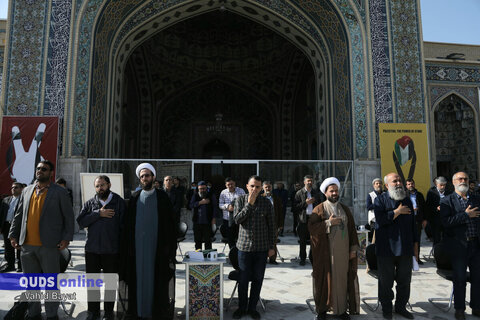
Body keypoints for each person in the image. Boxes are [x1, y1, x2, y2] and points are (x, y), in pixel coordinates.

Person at [9, 160, 75, 320]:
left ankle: (52, 315)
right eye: (38, 169)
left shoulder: (59, 192)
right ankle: (34, 313)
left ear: (50, 173)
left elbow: (68, 216)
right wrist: (13, 234)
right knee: (32, 284)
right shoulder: (27, 191)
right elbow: (19, 214)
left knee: (50, 284)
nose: (40, 171)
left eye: (44, 169)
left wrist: (66, 238)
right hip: (27, 246)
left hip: (49, 245)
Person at [119, 163, 176, 319]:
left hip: (157, 248)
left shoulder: (163, 197)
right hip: (137, 249)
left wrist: (169, 248)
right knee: (137, 279)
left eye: (148, 175)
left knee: (156, 279)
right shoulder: (135, 197)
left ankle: (156, 312)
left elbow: (171, 225)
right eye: (142, 176)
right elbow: (128, 225)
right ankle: (138, 311)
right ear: (140, 179)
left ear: (153, 177)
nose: (145, 178)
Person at [309, 177, 359, 320]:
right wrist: (327, 223)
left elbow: (351, 230)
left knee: (343, 282)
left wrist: (353, 250)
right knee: (325, 282)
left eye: (336, 191)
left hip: (343, 255)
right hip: (326, 255)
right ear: (326, 193)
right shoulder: (319, 209)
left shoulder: (345, 209)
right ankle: (323, 310)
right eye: (332, 191)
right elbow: (311, 229)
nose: (335, 193)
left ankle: (342, 310)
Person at [77, 175, 126, 320]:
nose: (100, 188)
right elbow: (81, 222)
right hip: (92, 250)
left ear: (109, 185)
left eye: (102, 185)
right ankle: (93, 312)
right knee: (92, 283)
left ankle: (109, 313)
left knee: (110, 283)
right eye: (97, 186)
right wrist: (98, 213)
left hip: (111, 250)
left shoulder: (119, 202)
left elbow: (124, 226)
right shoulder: (90, 203)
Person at [373, 172, 419, 320]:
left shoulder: (406, 200)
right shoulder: (380, 200)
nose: (399, 183)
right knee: (386, 282)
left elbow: (413, 225)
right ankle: (387, 308)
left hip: (405, 248)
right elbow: (379, 221)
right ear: (387, 185)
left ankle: (400, 307)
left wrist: (415, 247)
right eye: (395, 181)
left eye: (399, 180)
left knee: (404, 281)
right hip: (386, 248)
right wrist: (397, 212)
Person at [232, 175, 276, 320]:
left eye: (258, 187)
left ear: (261, 187)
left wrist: (272, 247)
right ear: (247, 186)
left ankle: (252, 308)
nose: (255, 189)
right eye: (252, 186)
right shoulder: (240, 200)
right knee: (243, 280)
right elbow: (237, 219)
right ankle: (241, 307)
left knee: (258, 279)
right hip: (244, 248)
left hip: (261, 249)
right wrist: (249, 205)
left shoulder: (266, 203)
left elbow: (272, 226)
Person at [440, 172, 480, 320]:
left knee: (477, 278)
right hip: (459, 246)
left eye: (465, 179)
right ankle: (459, 309)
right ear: (453, 182)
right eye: (460, 179)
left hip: (476, 244)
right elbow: (446, 222)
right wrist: (465, 215)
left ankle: (476, 307)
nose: (463, 181)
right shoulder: (447, 201)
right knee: (460, 278)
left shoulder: (476, 198)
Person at [294, 175, 324, 265]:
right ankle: (302, 259)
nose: (309, 182)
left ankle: (312, 258)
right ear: (304, 182)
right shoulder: (299, 193)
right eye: (308, 181)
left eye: (311, 181)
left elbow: (321, 206)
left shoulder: (316, 193)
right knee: (302, 240)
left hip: (314, 219)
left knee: (314, 240)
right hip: (303, 220)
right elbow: (295, 207)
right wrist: (305, 203)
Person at [0, 182, 24, 272]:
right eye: (12, 187)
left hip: (18, 226)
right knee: (8, 246)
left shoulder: (24, 200)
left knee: (19, 246)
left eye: (16, 187)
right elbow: (1, 214)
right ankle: (10, 265)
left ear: (21, 189)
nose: (13, 189)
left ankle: (20, 266)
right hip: (6, 225)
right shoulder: (6, 200)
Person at [189, 180, 219, 250]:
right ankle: (198, 256)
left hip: (208, 222)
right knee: (197, 241)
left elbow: (215, 207)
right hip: (197, 222)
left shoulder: (211, 195)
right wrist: (200, 202)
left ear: (206, 188)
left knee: (208, 241)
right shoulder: (195, 195)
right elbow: (190, 205)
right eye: (200, 189)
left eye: (204, 188)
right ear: (198, 189)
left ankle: (207, 256)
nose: (202, 190)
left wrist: (214, 219)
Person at [218, 177, 245, 249]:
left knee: (240, 238)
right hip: (227, 219)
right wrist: (227, 207)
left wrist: (237, 207)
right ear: (226, 185)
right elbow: (220, 205)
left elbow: (245, 203)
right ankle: (232, 254)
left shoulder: (241, 191)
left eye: (232, 184)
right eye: (228, 184)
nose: (230, 186)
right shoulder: (223, 192)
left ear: (235, 183)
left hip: (239, 219)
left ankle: (240, 253)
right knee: (230, 239)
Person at [261, 181, 284, 264]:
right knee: (263, 242)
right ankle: (263, 259)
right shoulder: (260, 198)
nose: (268, 189)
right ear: (263, 188)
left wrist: (281, 225)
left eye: (269, 187)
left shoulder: (276, 198)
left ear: (271, 187)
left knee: (273, 242)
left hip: (274, 224)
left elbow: (280, 212)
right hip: (262, 225)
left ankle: (272, 259)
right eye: (266, 187)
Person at [405, 178, 426, 265]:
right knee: (407, 239)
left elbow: (425, 207)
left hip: (418, 220)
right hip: (407, 220)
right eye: (409, 184)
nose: (411, 186)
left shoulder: (419, 195)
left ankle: (417, 258)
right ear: (406, 186)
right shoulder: (404, 195)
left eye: (412, 184)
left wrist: (424, 219)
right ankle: (408, 259)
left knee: (417, 239)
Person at [425, 176, 450, 245]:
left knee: (447, 238)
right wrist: (436, 208)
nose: (442, 187)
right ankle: (437, 253)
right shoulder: (431, 192)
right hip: (435, 219)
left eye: (444, 185)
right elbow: (428, 206)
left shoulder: (449, 192)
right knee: (436, 238)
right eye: (441, 185)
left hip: (446, 218)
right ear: (436, 184)